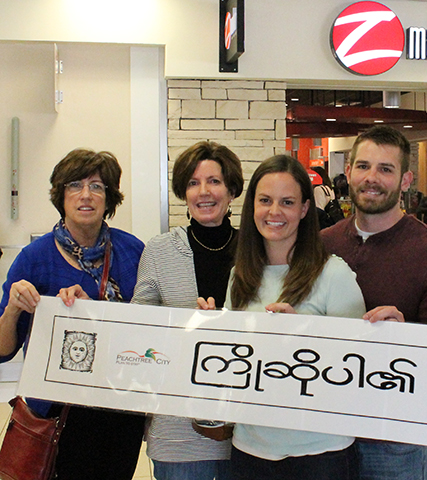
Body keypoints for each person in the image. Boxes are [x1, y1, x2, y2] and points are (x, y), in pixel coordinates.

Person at [321, 126, 427, 480]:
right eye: (364, 166)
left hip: (394, 438)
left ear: (405, 180)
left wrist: (406, 336)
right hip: (324, 429)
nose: (372, 178)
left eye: (385, 169)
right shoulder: (321, 244)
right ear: (349, 171)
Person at [0, 148, 145, 479]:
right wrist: (12, 310)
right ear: (60, 196)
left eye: (97, 187)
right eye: (75, 185)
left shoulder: (132, 251)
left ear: (110, 199)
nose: (86, 195)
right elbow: (2, 350)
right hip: (56, 414)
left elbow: (146, 326)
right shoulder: (34, 258)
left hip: (119, 408)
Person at [223, 155, 366, 480]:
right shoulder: (238, 276)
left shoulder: (333, 274)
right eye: (265, 201)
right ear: (252, 207)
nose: (274, 212)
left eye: (287, 202)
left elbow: (357, 368)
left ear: (304, 209)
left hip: (321, 454)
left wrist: (306, 336)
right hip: (250, 450)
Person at [132, 141, 244, 479]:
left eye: (214, 181)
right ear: (183, 192)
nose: (204, 192)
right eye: (193, 183)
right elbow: (140, 331)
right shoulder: (160, 250)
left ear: (231, 190)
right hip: (178, 432)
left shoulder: (256, 250)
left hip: (248, 434)